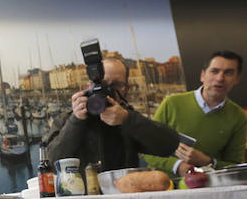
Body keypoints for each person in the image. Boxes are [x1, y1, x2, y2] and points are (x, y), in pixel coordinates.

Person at [47, 58, 179, 171]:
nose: (107, 91)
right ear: (89, 87)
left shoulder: (128, 117)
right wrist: (76, 120)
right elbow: (52, 162)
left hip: (123, 194)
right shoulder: (66, 119)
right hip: (82, 197)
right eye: (102, 84)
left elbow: (169, 145)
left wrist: (128, 119)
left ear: (126, 89)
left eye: (116, 85)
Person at [143, 50, 247, 176]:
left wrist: (208, 162)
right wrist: (178, 166)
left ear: (237, 79)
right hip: (166, 187)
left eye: (228, 73)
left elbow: (235, 165)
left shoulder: (238, 117)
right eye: (214, 71)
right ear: (202, 75)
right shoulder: (172, 103)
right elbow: (145, 148)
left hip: (211, 188)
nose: (220, 78)